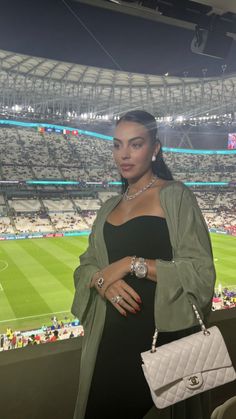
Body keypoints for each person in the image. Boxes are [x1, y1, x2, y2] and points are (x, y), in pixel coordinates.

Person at [71, 110, 216, 419]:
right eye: (117, 145)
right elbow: (86, 266)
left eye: (135, 144)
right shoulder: (108, 208)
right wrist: (101, 281)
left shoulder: (175, 196)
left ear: (155, 149)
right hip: (107, 344)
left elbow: (201, 275)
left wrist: (131, 264)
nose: (123, 154)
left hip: (160, 345)